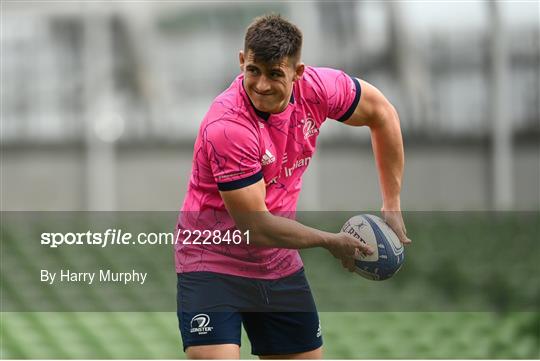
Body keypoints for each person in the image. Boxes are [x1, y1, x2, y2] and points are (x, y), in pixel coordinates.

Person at [175, 14, 411, 359]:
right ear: (242, 61)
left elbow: (382, 114)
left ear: (298, 73)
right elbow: (255, 227)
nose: (261, 85)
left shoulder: (319, 89)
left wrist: (392, 202)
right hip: (212, 261)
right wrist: (330, 241)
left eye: (275, 74)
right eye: (253, 70)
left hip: (277, 263)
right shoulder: (228, 126)